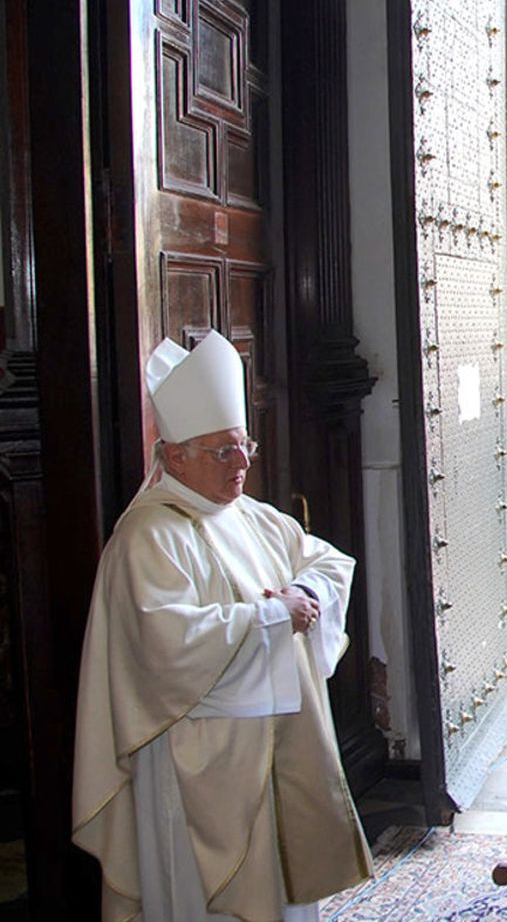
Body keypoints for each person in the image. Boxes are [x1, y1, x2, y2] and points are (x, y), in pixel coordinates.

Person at [72, 330, 371, 922]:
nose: (241, 465)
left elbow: (326, 561)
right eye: (221, 451)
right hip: (200, 769)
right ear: (174, 454)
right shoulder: (147, 537)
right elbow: (164, 645)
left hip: (279, 746)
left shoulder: (248, 515)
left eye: (243, 447)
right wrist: (270, 615)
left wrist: (306, 590)